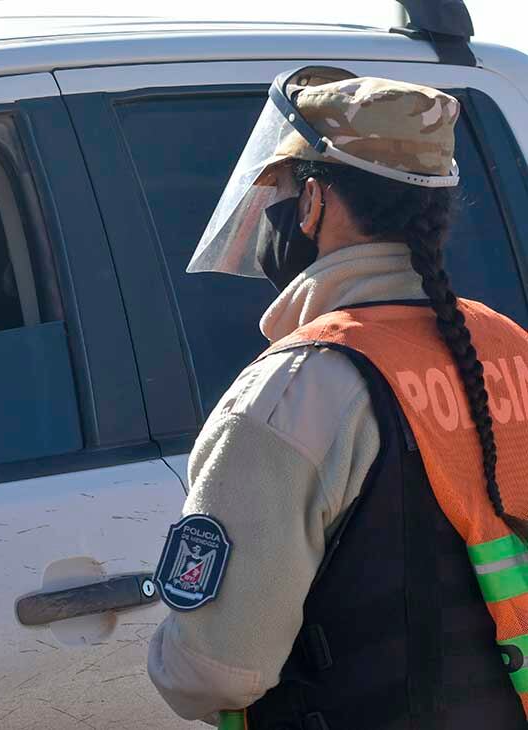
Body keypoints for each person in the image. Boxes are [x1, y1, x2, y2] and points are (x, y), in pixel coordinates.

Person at [147, 67, 528, 728]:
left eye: (281, 192)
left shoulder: (297, 390)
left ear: (315, 203)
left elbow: (214, 672)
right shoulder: (509, 347)